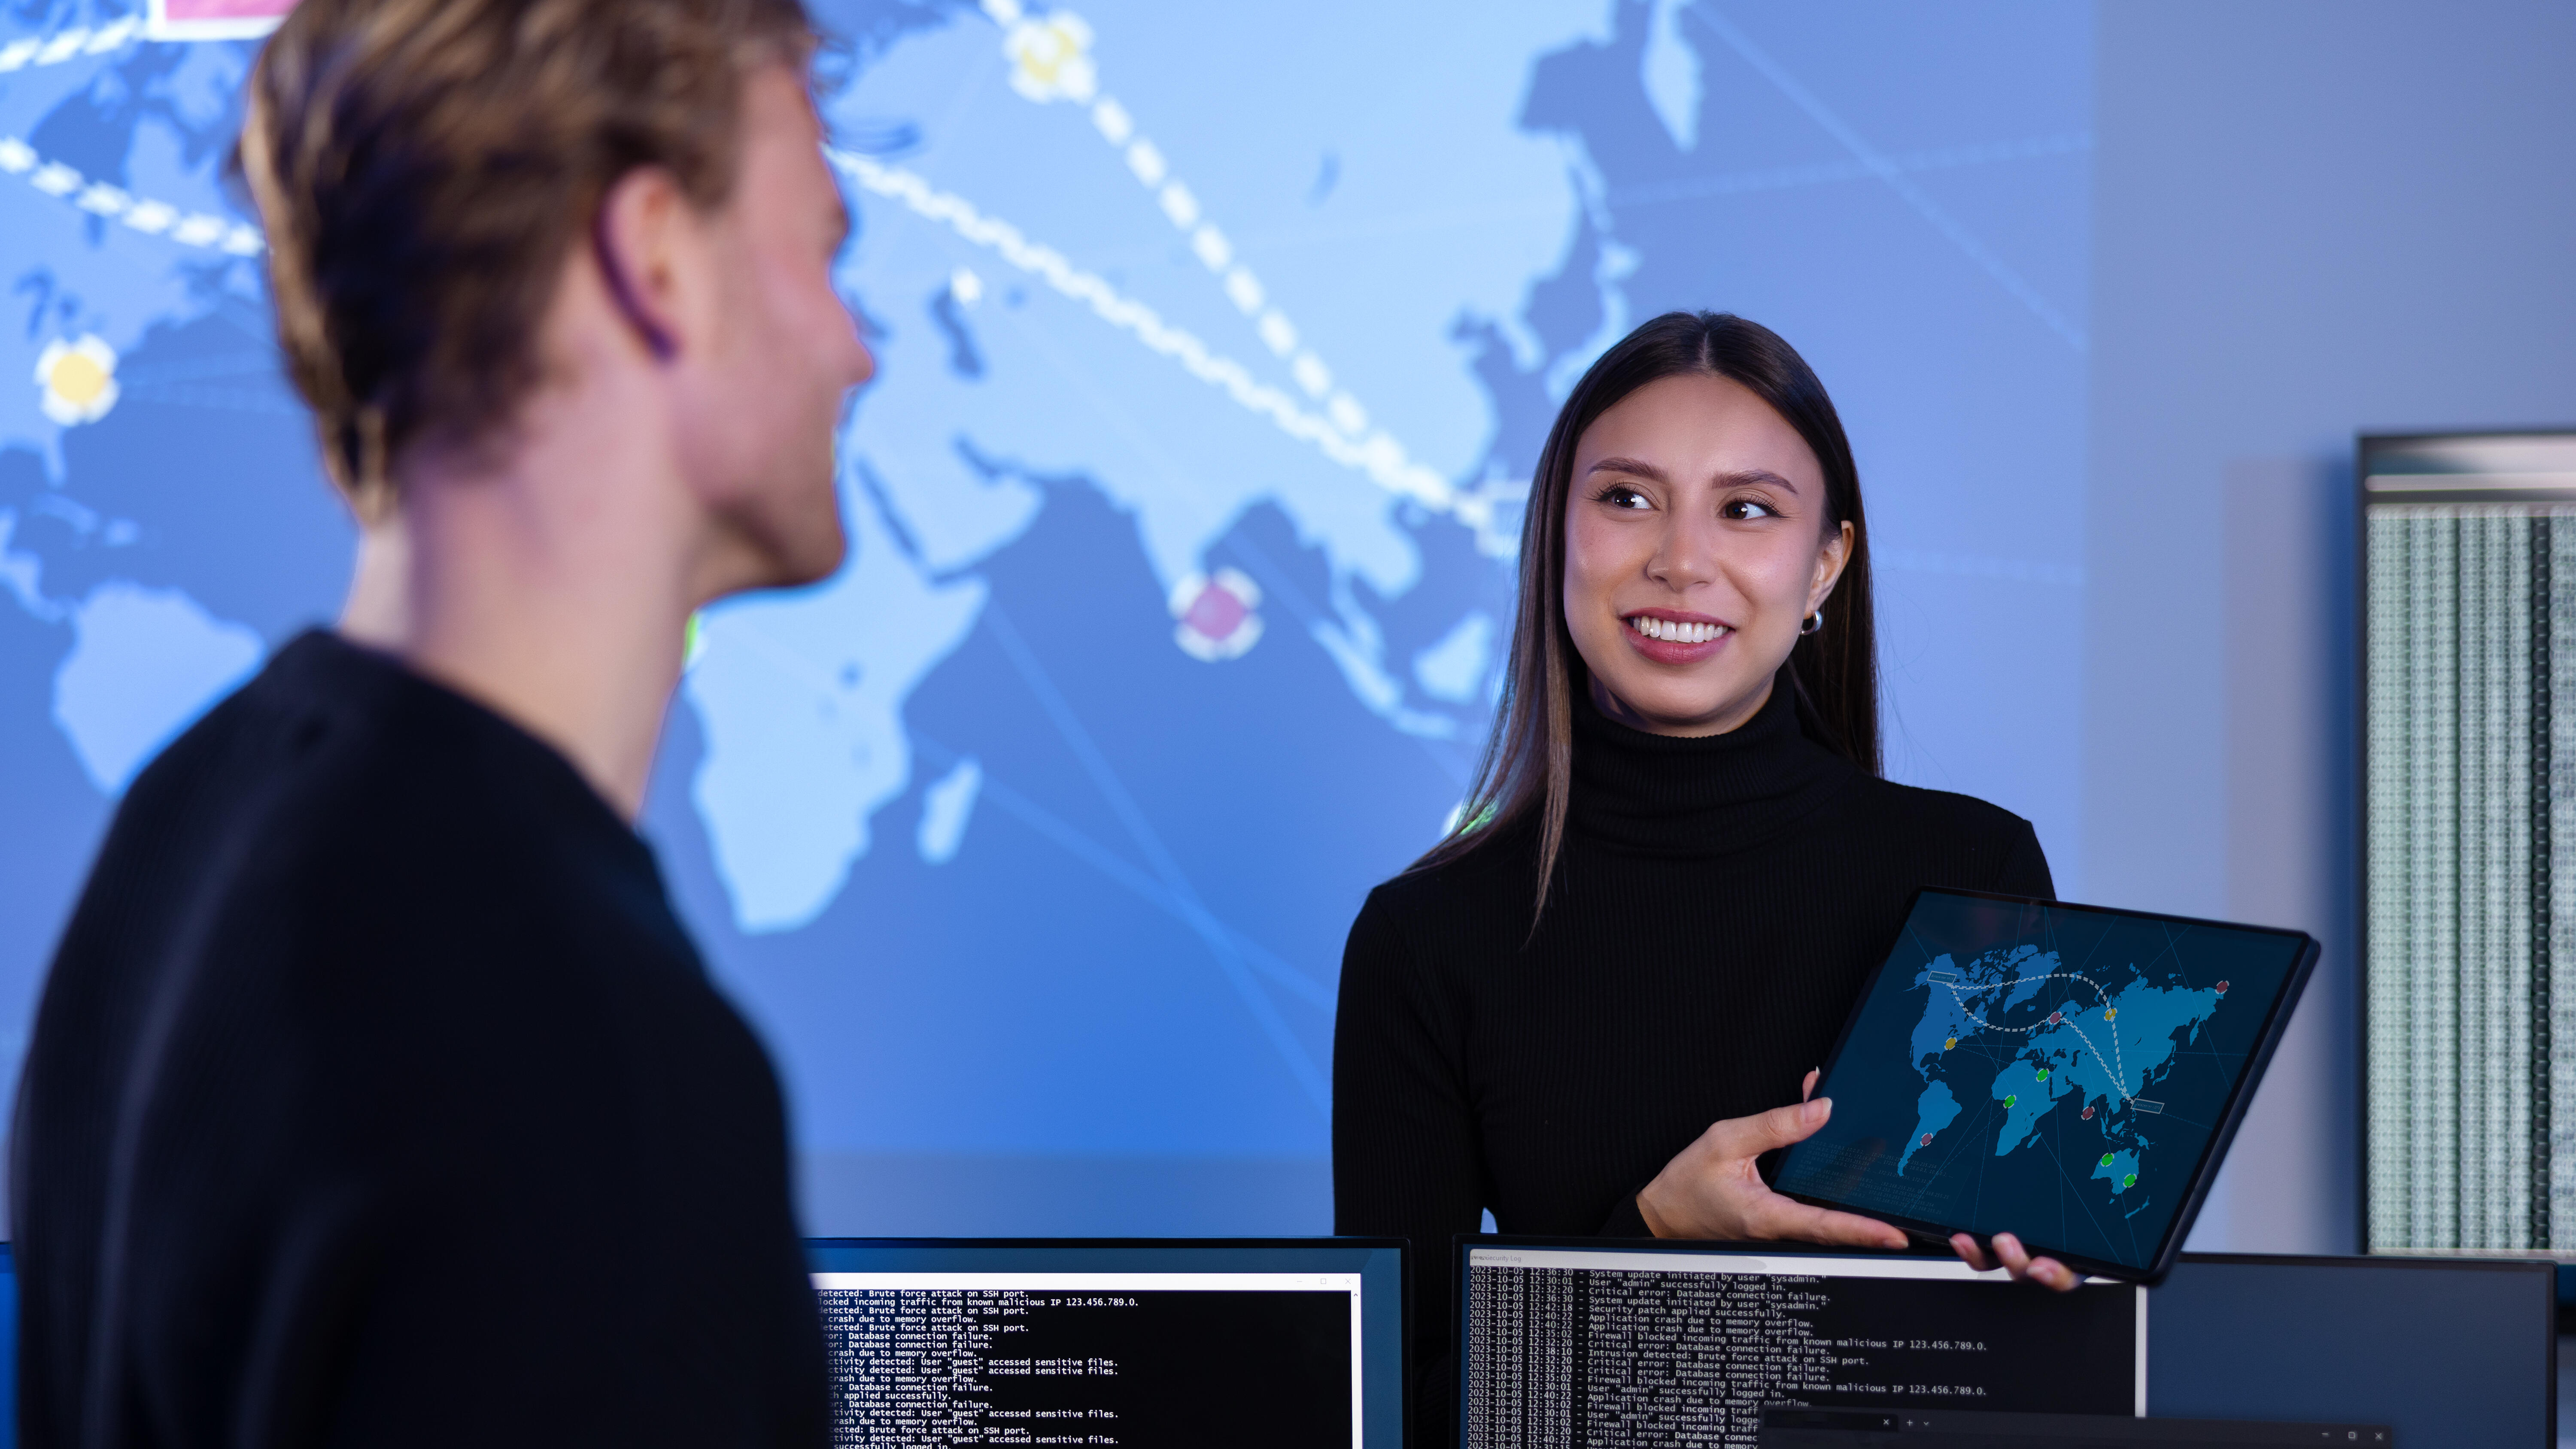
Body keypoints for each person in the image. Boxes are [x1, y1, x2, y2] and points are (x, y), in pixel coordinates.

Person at [8, 0, 873, 1442]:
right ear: (657, 256)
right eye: (825, 248)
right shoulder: (574, 1062)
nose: (856, 348)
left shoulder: (182, 841)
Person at [1332, 311, 2075, 1440]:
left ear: (1825, 562)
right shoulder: (1427, 936)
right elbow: (1404, 1416)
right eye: (1627, 499)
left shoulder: (1973, 872)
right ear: (1555, 541)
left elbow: (2021, 1360)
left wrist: (2051, 1260)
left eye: (1748, 511)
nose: (1682, 560)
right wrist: (1653, 1239)